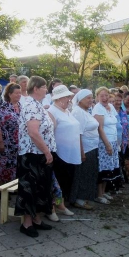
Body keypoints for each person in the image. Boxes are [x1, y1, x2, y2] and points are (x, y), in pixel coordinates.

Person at [15, 76, 56, 238]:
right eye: (45, 86)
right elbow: (33, 132)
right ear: (36, 88)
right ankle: (26, 224)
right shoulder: (31, 105)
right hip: (32, 155)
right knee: (29, 189)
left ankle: (37, 219)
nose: (47, 90)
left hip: (39, 154)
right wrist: (47, 151)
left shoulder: (37, 105)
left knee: (40, 187)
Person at [47, 85, 78, 217]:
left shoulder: (66, 110)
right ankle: (52, 208)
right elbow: (50, 134)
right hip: (59, 153)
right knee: (57, 182)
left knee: (65, 182)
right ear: (59, 98)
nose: (70, 99)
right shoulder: (52, 111)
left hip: (70, 153)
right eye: (67, 97)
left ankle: (61, 205)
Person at [0, 83, 21, 197]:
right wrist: (1, 143)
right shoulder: (4, 107)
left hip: (17, 143)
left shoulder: (21, 106)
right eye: (16, 93)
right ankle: (0, 191)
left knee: (13, 167)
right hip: (5, 142)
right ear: (10, 94)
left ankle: (10, 188)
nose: (19, 95)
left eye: (20, 93)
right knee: (1, 166)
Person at [70, 89, 99, 210]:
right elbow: (78, 134)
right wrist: (81, 152)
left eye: (91, 97)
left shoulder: (85, 111)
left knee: (88, 174)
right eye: (88, 98)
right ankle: (79, 199)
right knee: (83, 175)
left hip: (92, 147)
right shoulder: (78, 112)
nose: (91, 100)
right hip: (85, 149)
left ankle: (84, 198)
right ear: (80, 99)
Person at [92, 87, 121, 204]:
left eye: (106, 95)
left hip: (113, 141)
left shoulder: (110, 107)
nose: (104, 98)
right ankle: (99, 194)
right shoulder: (98, 108)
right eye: (101, 96)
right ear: (97, 97)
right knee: (103, 168)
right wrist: (107, 145)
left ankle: (104, 192)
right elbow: (100, 129)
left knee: (110, 167)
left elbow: (115, 124)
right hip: (104, 142)